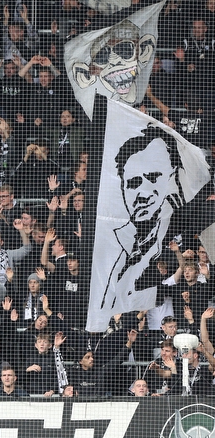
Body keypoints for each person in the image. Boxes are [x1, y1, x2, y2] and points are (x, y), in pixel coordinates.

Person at [89, 126, 186, 329]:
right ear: (122, 190)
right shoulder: (114, 243)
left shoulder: (182, 228)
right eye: (133, 183)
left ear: (172, 178)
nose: (143, 192)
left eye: (153, 177)